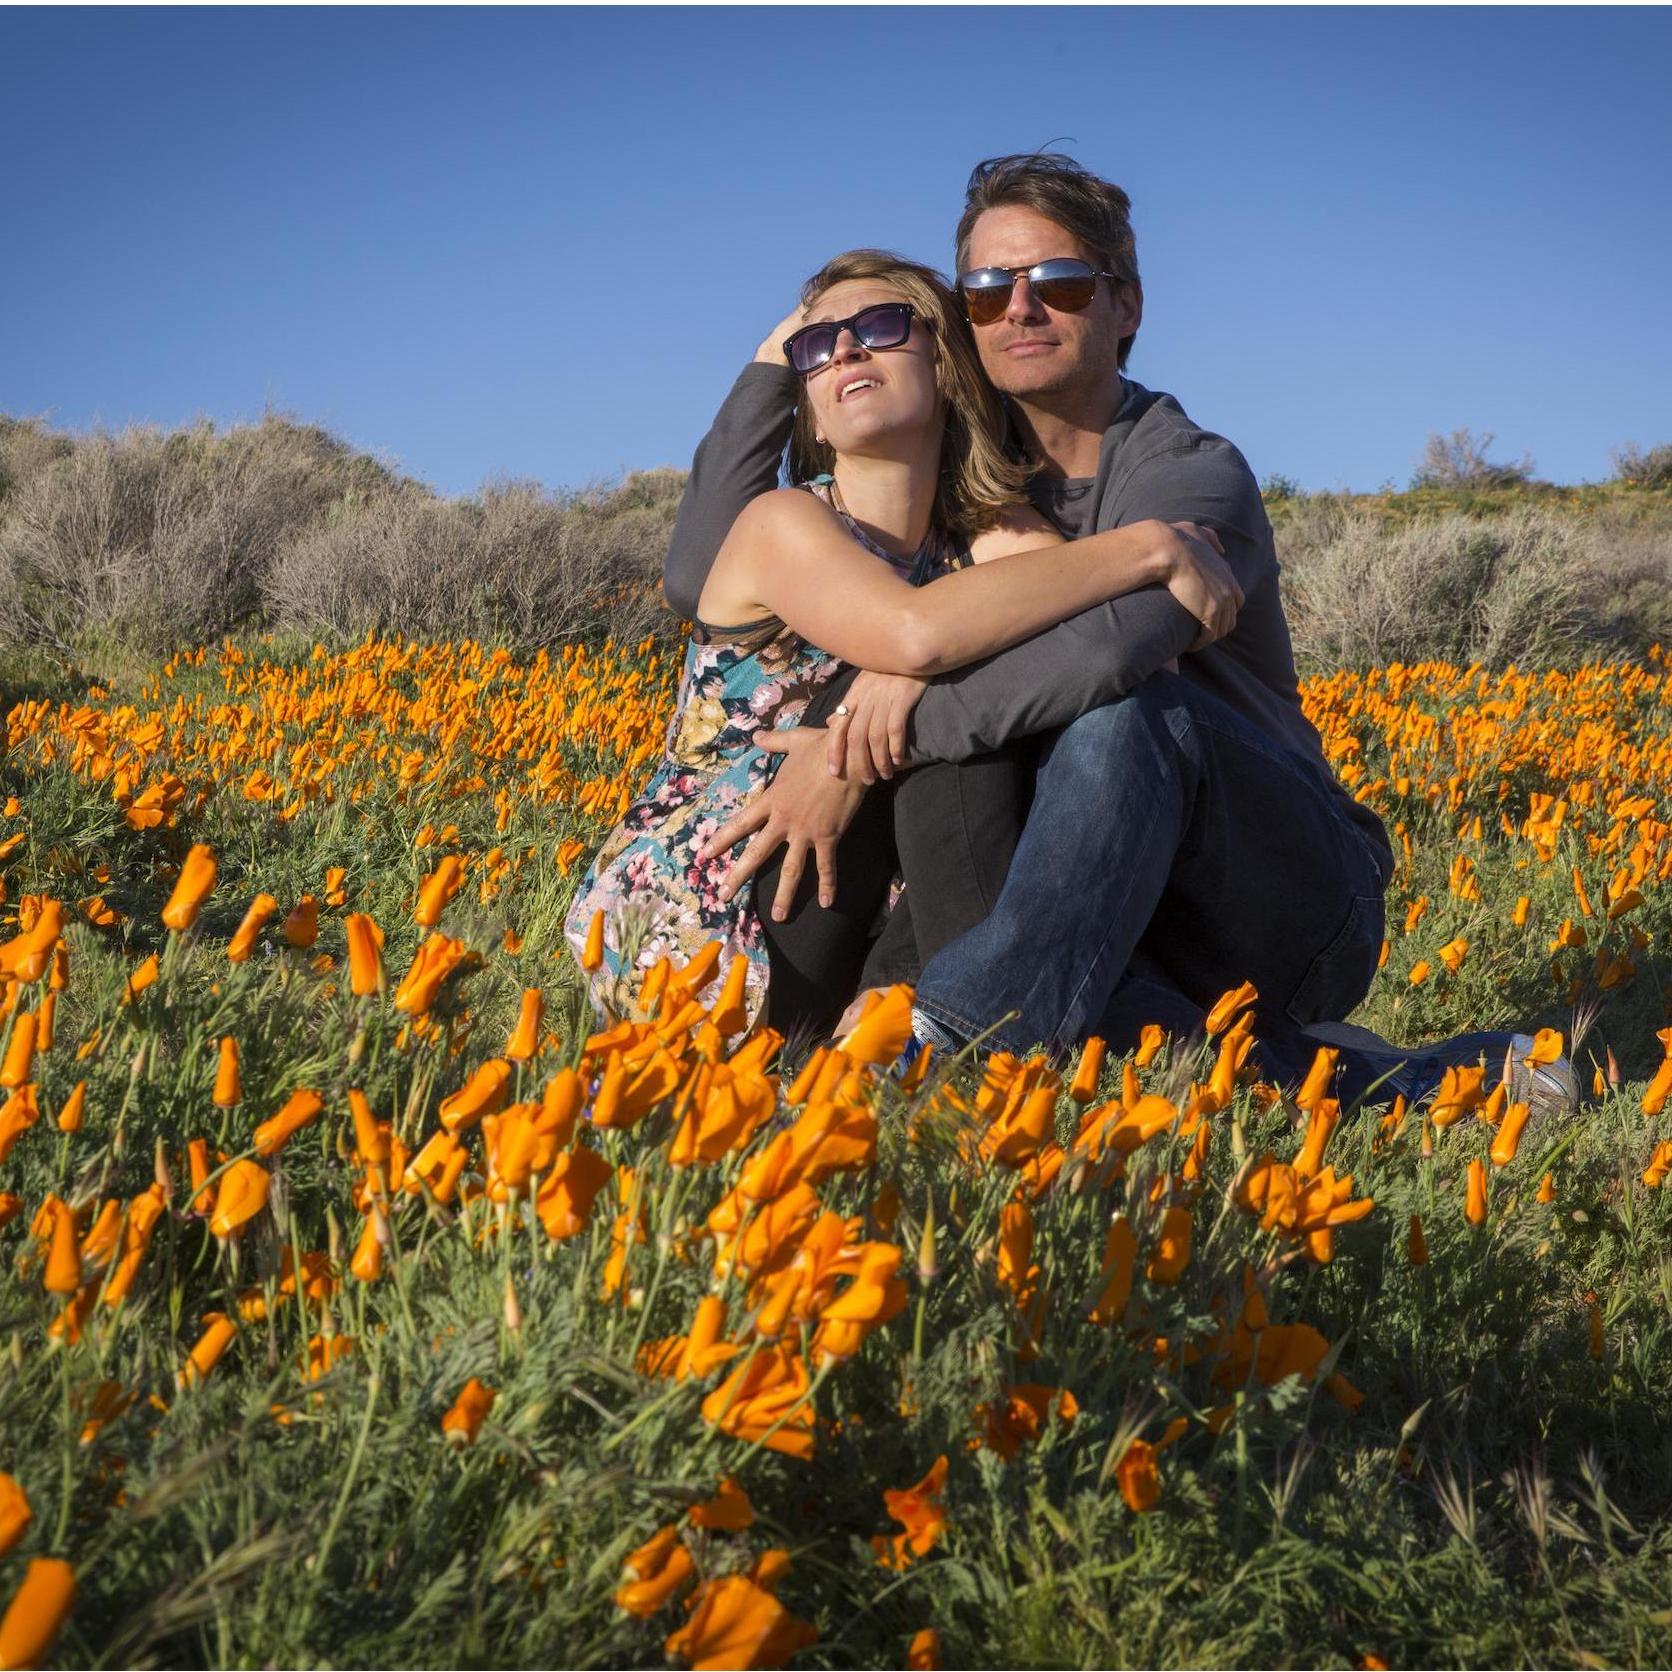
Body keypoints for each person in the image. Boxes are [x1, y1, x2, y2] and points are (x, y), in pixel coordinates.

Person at [669, 154, 1572, 1109]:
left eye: (1058, 282)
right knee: (1061, 962)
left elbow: (1108, 649)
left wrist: (859, 739)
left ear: (1127, 304)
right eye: (986, 291)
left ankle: (952, 1037)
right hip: (1082, 889)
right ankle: (1402, 1077)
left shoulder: (1187, 475)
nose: (1020, 309)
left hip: (1275, 892)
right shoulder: (971, 481)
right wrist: (778, 352)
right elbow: (699, 572)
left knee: (1119, 710)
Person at [564, 248, 1241, 1039]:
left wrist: (896, 701)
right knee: (964, 707)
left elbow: (1118, 646)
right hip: (721, 910)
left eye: (880, 325)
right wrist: (1152, 545)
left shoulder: (979, 540)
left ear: (946, 365)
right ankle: (956, 1035)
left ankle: (909, 1022)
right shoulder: (780, 523)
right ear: (811, 413)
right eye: (816, 346)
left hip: (868, 902)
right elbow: (914, 635)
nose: (845, 350)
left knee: (1011, 699)